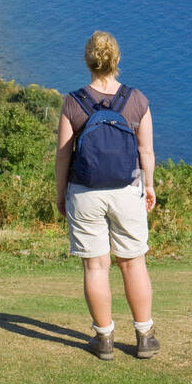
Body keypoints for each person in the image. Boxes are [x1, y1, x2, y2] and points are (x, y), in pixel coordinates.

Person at [55, 31, 159, 361]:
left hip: (84, 191)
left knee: (96, 267)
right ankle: (144, 336)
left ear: (88, 60)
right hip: (128, 190)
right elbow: (146, 151)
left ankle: (104, 339)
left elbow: (62, 155)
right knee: (133, 263)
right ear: (117, 60)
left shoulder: (73, 102)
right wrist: (150, 185)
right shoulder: (137, 100)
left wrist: (61, 194)